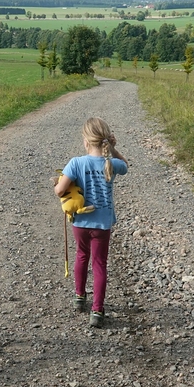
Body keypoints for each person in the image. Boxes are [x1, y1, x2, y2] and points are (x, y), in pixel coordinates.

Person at [54, 117, 128, 328]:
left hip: (80, 223)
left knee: (81, 256)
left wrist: (58, 189)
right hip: (102, 225)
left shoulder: (76, 163)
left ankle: (79, 296)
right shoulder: (111, 163)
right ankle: (97, 310)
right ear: (106, 141)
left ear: (86, 142)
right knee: (99, 264)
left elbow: (60, 190)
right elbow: (126, 166)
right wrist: (113, 149)